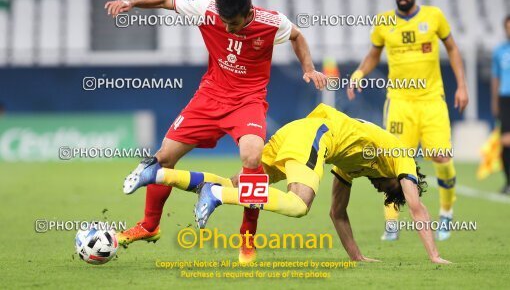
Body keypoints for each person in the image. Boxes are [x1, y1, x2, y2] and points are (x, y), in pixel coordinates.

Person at [104, 0, 327, 263]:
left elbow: (296, 35)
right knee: (162, 158)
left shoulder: (271, 22)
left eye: (232, 23)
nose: (226, 27)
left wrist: (308, 68)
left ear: (248, 14)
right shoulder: (206, 7)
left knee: (253, 156)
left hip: (248, 101)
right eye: (223, 21)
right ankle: (150, 226)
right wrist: (129, 0)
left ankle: (248, 237)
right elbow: (164, 0)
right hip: (209, 97)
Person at [124, 103, 450, 264]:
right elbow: (418, 208)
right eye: (395, 190)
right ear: (403, 178)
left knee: (238, 184)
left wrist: (357, 258)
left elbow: (338, 213)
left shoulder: (359, 165)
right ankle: (216, 194)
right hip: (314, 136)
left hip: (296, 132)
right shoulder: (400, 155)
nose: (389, 192)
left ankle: (160, 174)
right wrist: (434, 256)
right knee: (298, 206)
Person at [347, 0, 469, 241]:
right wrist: (358, 74)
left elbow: (452, 48)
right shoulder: (383, 22)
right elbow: (372, 55)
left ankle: (446, 213)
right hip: (400, 102)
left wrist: (461, 85)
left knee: (441, 157)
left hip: (431, 101)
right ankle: (392, 222)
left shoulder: (434, 16)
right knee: (395, 163)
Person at [491, 15, 510, 195]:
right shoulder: (499, 51)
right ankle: (508, 181)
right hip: (505, 99)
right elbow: (495, 78)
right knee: (505, 142)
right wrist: (495, 102)